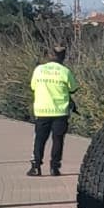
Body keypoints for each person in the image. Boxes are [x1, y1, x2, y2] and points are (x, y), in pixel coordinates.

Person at [27, 42, 75, 176]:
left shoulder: (39, 70)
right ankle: (54, 167)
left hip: (42, 111)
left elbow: (33, 87)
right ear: (63, 57)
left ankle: (36, 167)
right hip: (60, 112)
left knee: (39, 140)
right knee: (58, 140)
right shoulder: (65, 71)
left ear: (50, 55)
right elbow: (73, 88)